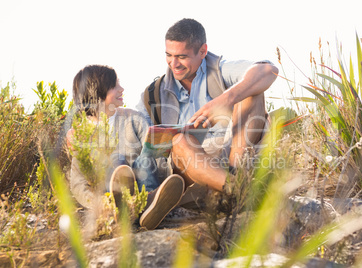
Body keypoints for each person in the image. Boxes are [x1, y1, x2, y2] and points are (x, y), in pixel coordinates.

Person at [136, 18, 278, 226]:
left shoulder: (220, 70)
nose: (173, 64)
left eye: (182, 57)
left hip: (234, 156)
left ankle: (235, 181)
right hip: (190, 173)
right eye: (169, 55)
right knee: (180, 142)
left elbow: (268, 70)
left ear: (202, 51)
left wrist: (224, 100)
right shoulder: (153, 94)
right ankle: (239, 191)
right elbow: (132, 128)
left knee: (252, 91)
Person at [68, 65, 185, 227]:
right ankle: (136, 209)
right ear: (98, 92)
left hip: (145, 187)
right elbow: (78, 183)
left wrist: (168, 179)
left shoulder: (132, 118)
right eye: (114, 86)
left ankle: (150, 204)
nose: (121, 89)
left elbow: (156, 156)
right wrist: (98, 204)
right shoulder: (81, 135)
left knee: (144, 159)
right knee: (117, 161)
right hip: (111, 198)